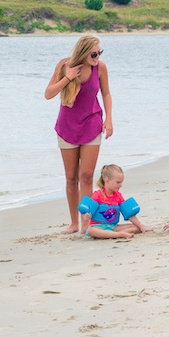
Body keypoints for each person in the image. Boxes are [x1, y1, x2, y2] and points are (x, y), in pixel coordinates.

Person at [45, 34, 113, 234]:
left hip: (92, 122)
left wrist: (108, 119)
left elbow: (106, 93)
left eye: (100, 52)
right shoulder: (64, 66)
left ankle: (86, 222)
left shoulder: (100, 67)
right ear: (83, 53)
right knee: (71, 178)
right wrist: (68, 77)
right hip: (67, 126)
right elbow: (48, 94)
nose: (97, 56)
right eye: (94, 53)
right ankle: (74, 223)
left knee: (86, 176)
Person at [83, 164, 148, 239]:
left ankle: (112, 234)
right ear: (107, 180)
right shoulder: (97, 195)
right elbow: (86, 215)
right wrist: (86, 217)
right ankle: (119, 234)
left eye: (121, 182)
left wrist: (142, 227)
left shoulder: (118, 196)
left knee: (136, 228)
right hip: (98, 227)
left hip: (113, 227)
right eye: (118, 182)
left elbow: (129, 214)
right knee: (91, 231)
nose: (121, 185)